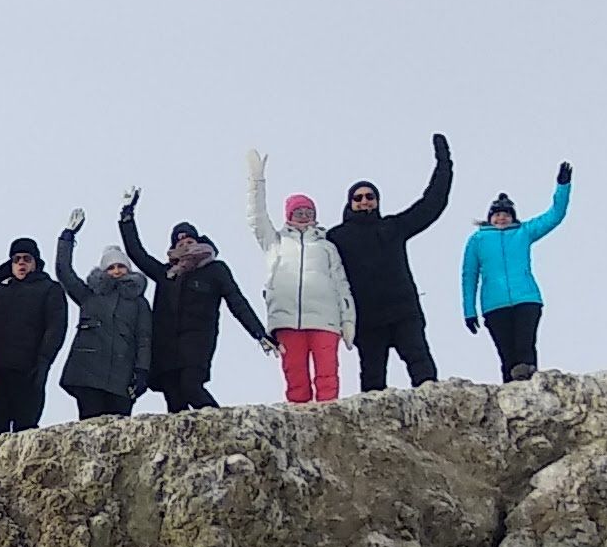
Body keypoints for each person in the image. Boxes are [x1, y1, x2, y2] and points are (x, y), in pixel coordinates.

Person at [117, 187, 272, 411]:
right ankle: (189, 445)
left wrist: (258, 333)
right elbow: (136, 252)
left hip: (197, 343)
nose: (185, 246)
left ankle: (224, 428)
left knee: (191, 387)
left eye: (189, 241)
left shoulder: (214, 269)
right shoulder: (165, 273)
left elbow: (237, 302)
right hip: (165, 348)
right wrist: (127, 217)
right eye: (179, 244)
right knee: (174, 401)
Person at [325, 138, 457, 393]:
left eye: (370, 196)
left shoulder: (392, 227)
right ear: (349, 203)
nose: (365, 201)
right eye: (358, 197)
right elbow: (314, 268)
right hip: (367, 317)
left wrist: (444, 163)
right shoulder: (336, 237)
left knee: (422, 369)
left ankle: (434, 413)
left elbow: (432, 204)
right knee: (373, 380)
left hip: (403, 310)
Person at [246, 153, 352, 408]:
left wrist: (348, 320)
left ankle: (329, 418)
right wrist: (256, 181)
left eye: (308, 211)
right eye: (298, 211)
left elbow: (342, 285)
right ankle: (299, 423)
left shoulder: (327, 247)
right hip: (286, 319)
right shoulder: (276, 242)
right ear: (289, 215)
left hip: (326, 320)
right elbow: (257, 218)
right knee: (295, 377)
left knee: (328, 375)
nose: (304, 215)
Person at [463, 163, 575, 381]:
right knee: (507, 356)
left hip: (527, 299)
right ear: (490, 217)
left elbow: (555, 215)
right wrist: (469, 310)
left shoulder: (523, 232)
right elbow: (469, 275)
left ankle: (531, 391)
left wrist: (563, 186)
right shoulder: (477, 240)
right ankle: (510, 399)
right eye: (497, 215)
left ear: (513, 217)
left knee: (525, 350)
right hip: (494, 304)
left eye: (506, 214)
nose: (502, 218)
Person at [49, 214, 148, 419]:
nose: (117, 271)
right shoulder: (89, 296)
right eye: (111, 267)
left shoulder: (138, 302)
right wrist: (67, 238)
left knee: (120, 431)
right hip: (88, 373)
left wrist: (142, 371)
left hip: (122, 375)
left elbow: (145, 339)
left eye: (121, 266)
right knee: (89, 425)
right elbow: (64, 272)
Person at [0, 231, 70, 436]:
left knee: (26, 432)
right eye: (16, 259)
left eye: (27, 258)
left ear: (36, 262)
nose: (21, 263)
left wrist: (44, 361)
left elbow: (56, 327)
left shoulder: (49, 289)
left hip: (28, 371)